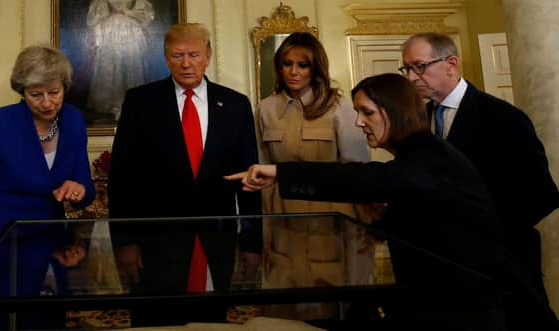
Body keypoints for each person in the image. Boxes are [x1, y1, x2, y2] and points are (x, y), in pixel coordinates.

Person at [227, 73, 559, 330]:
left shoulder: (429, 157)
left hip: (473, 312)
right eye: (358, 112)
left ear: (394, 113)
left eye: (367, 112)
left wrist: (278, 172)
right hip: (445, 303)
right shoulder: (420, 154)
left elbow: (364, 178)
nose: (359, 122)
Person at [107, 23, 261, 320]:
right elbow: (122, 178)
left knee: (211, 322)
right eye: (178, 55)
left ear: (208, 56)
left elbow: (249, 180)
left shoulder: (235, 105)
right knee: (156, 322)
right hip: (156, 243)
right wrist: (124, 242)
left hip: (216, 240)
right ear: (166, 58)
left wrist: (252, 243)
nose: (186, 63)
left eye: (194, 54)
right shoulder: (140, 102)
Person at [400, 32, 559, 301]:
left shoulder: (502, 116)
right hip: (444, 270)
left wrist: (486, 237)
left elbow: (540, 193)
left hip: (501, 267)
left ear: (451, 64)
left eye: (420, 67)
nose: (412, 77)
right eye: (407, 69)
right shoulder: (418, 121)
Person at [0, 45, 95, 304]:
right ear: (21, 91)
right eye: (35, 95)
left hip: (55, 248)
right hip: (0, 250)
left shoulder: (74, 121)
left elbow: (85, 186)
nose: (47, 102)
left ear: (65, 87)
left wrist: (80, 190)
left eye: (54, 92)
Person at [254, 32, 374, 320]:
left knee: (331, 309)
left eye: (303, 65)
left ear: (316, 67)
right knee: (284, 308)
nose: (293, 72)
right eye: (287, 63)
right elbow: (261, 170)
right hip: (284, 226)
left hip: (330, 225)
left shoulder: (339, 107)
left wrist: (363, 235)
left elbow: (357, 173)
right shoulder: (265, 109)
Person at [86, 0, 155, 121]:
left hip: (131, 30)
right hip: (112, 31)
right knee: (112, 63)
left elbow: (146, 13)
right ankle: (113, 103)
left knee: (131, 61)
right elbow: (96, 16)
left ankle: (131, 102)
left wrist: (130, 13)